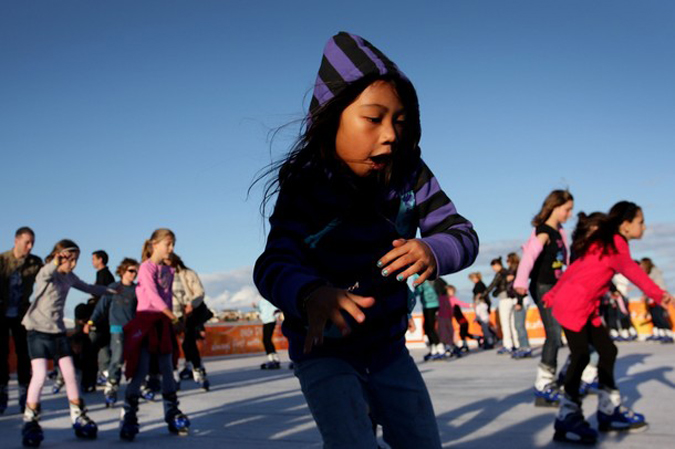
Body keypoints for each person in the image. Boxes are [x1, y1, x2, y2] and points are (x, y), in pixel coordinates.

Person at [252, 32, 479, 448]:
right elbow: (273, 263)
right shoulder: (307, 185)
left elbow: (461, 233)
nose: (391, 134)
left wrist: (433, 249)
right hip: (325, 351)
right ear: (331, 117)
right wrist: (310, 294)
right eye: (374, 119)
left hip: (389, 349)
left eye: (400, 121)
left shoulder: (410, 176)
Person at [543, 201, 673, 444]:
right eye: (640, 222)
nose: (644, 227)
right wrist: (659, 295)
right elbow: (633, 273)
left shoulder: (604, 242)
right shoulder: (615, 244)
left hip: (583, 306)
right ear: (625, 225)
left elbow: (575, 268)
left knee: (608, 350)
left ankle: (608, 410)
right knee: (580, 356)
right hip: (574, 306)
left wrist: (554, 292)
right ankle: (567, 415)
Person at [20, 240, 117, 446]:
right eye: (70, 259)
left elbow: (89, 287)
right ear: (59, 256)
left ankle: (78, 415)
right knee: (39, 375)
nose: (73, 264)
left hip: (57, 332)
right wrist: (56, 261)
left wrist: (112, 291)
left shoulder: (70, 277)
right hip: (37, 330)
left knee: (71, 373)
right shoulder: (47, 272)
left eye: (76, 260)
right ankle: (30, 419)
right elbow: (44, 275)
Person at [120, 229, 189, 441]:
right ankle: (129, 415)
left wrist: (173, 318)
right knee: (141, 371)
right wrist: (172, 316)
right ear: (154, 244)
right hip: (146, 324)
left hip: (163, 325)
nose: (171, 248)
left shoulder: (169, 270)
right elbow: (152, 295)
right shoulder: (145, 268)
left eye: (173, 244)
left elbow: (167, 298)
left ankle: (171, 411)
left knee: (168, 370)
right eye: (168, 244)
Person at [514, 190, 574, 407]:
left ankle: (566, 376)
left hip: (558, 287)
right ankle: (544, 386)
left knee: (571, 332)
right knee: (554, 335)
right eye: (567, 209)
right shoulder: (544, 231)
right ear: (555, 206)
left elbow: (565, 261)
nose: (569, 214)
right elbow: (529, 255)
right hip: (544, 287)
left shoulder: (559, 231)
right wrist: (520, 281)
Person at [85, 258, 139, 407]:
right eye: (131, 270)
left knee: (136, 357)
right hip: (116, 327)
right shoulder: (114, 287)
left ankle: (140, 384)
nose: (134, 274)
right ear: (122, 271)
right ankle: (111, 385)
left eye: (136, 271)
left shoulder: (137, 290)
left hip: (132, 329)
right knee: (117, 357)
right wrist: (91, 322)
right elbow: (101, 307)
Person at [0, 227, 42, 415]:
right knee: (1, 355)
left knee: (24, 354)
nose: (30, 246)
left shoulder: (35, 262)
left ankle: (25, 393)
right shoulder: (2, 261)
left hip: (22, 314)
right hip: (1, 313)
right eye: (27, 242)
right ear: (16, 240)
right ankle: (2, 392)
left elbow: (48, 274)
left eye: (32, 242)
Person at [167, 253, 212, 390]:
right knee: (170, 346)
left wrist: (191, 304)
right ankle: (173, 375)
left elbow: (199, 292)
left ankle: (198, 371)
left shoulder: (187, 273)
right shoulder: (161, 274)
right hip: (170, 314)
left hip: (188, 313)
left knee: (188, 343)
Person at [482, 257, 519, 355]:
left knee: (505, 323)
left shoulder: (500, 274)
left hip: (505, 299)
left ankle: (508, 345)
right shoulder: (508, 272)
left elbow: (492, 285)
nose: (493, 269)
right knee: (512, 323)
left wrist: (483, 295)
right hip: (513, 298)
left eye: (493, 267)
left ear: (497, 265)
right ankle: (517, 344)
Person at [90, 250, 115, 386]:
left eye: (94, 259)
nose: (92, 262)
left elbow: (105, 298)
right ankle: (103, 372)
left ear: (100, 260)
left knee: (101, 344)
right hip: (102, 317)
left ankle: (105, 373)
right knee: (102, 345)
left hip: (103, 318)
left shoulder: (105, 276)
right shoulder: (101, 275)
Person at [639, 258, 673, 343]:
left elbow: (655, 285)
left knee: (659, 315)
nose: (641, 267)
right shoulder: (648, 273)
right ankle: (660, 334)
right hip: (652, 298)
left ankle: (668, 334)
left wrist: (663, 295)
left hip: (659, 297)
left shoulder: (655, 272)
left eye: (642, 265)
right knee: (655, 316)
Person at [506, 253, 532, 359]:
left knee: (519, 325)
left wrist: (519, 302)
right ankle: (522, 346)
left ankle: (525, 347)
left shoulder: (517, 271)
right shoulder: (515, 271)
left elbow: (521, 287)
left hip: (520, 300)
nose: (506, 263)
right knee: (517, 325)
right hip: (516, 300)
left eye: (507, 261)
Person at [414, 278, 444, 361]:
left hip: (429, 304)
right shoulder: (427, 271)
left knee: (430, 328)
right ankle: (434, 350)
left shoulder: (417, 275)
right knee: (427, 328)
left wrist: (410, 295)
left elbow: (419, 289)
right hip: (434, 303)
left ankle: (440, 349)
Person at [254, 298, 282, 369]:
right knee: (265, 340)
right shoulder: (261, 300)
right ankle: (271, 358)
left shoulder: (269, 298)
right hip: (265, 321)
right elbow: (260, 310)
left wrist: (275, 316)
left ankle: (275, 358)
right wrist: (255, 307)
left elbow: (277, 307)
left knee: (267, 339)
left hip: (271, 320)